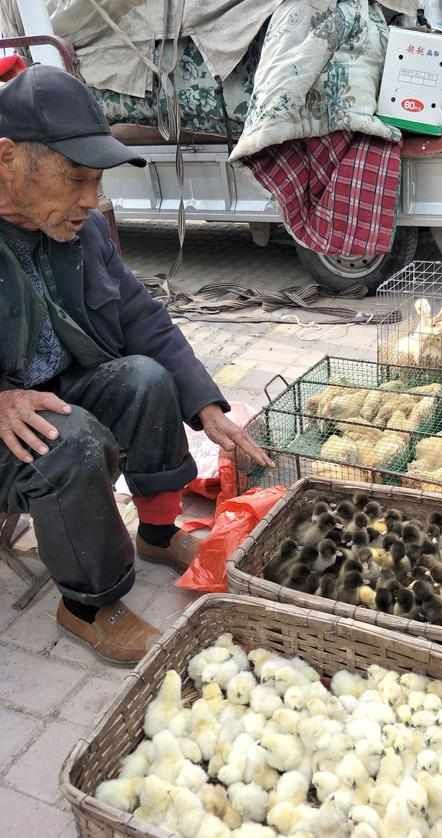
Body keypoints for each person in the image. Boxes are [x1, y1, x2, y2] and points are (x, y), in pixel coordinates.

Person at [0, 65, 273, 665]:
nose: (90, 202)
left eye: (96, 184)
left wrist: (206, 407)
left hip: (60, 396)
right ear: (9, 158)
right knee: (65, 441)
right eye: (77, 180)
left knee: (147, 378)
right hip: (11, 425)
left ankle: (156, 533)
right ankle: (89, 604)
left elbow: (141, 317)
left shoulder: (82, 231)